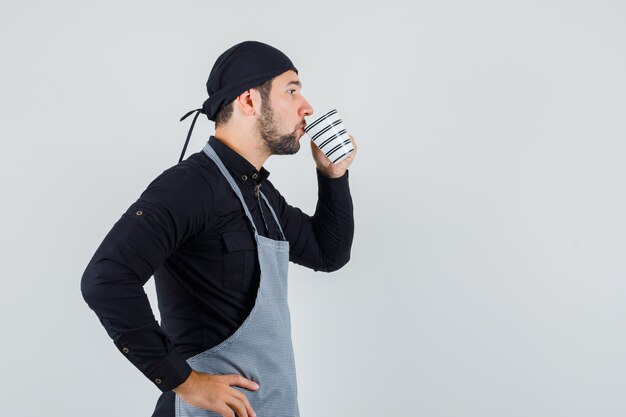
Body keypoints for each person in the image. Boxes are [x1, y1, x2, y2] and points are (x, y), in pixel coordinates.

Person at [80, 40, 356, 417]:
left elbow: (329, 253)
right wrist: (185, 382)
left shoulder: (259, 193)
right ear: (248, 102)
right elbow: (106, 279)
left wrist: (333, 174)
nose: (306, 106)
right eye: (291, 90)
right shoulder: (189, 187)